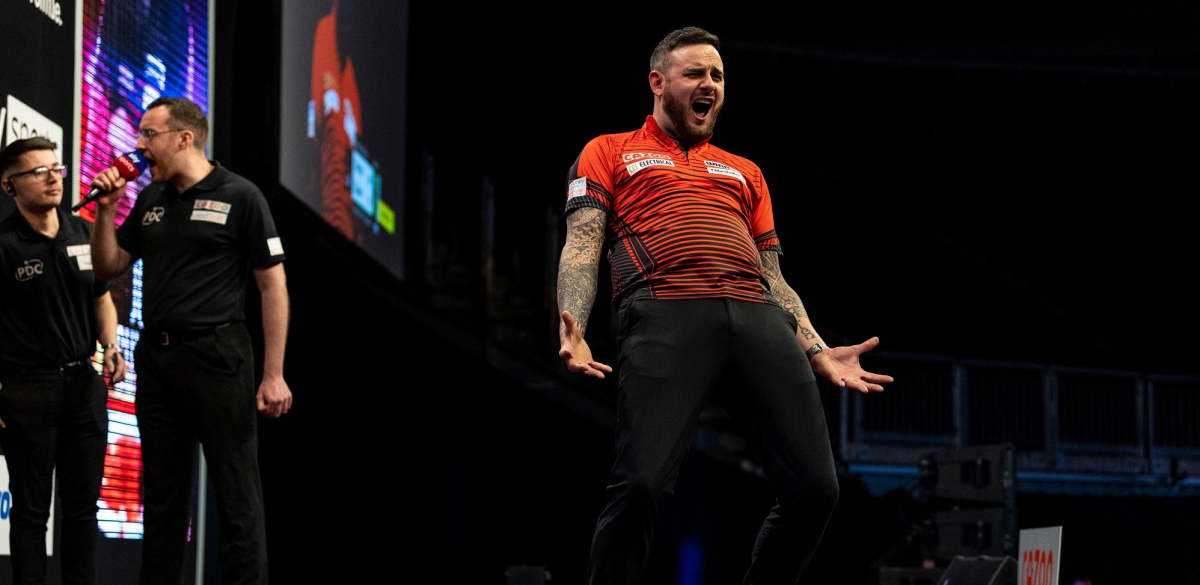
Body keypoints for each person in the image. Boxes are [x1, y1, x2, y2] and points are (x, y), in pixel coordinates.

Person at [556, 27, 894, 584]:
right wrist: (573, 324)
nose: (709, 84)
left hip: (757, 315)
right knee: (641, 485)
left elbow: (774, 275)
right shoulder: (609, 150)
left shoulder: (745, 171)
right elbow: (583, 244)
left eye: (717, 75)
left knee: (816, 489)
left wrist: (813, 346)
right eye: (696, 74)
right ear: (658, 83)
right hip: (666, 309)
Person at [88, 97, 291, 584]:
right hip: (157, 362)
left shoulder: (241, 195)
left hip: (218, 357)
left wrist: (273, 373)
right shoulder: (149, 200)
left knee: (236, 496)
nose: (137, 146)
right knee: (161, 501)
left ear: (184, 138)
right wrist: (107, 210)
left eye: (148, 136)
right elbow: (108, 267)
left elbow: (273, 287)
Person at [0, 137, 127, 585]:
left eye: (57, 168)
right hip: (26, 390)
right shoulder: (4, 244)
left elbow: (102, 298)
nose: (53, 177)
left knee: (81, 510)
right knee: (32, 514)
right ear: (9, 185)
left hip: (83, 386)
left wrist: (111, 345)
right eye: (39, 171)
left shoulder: (81, 229)